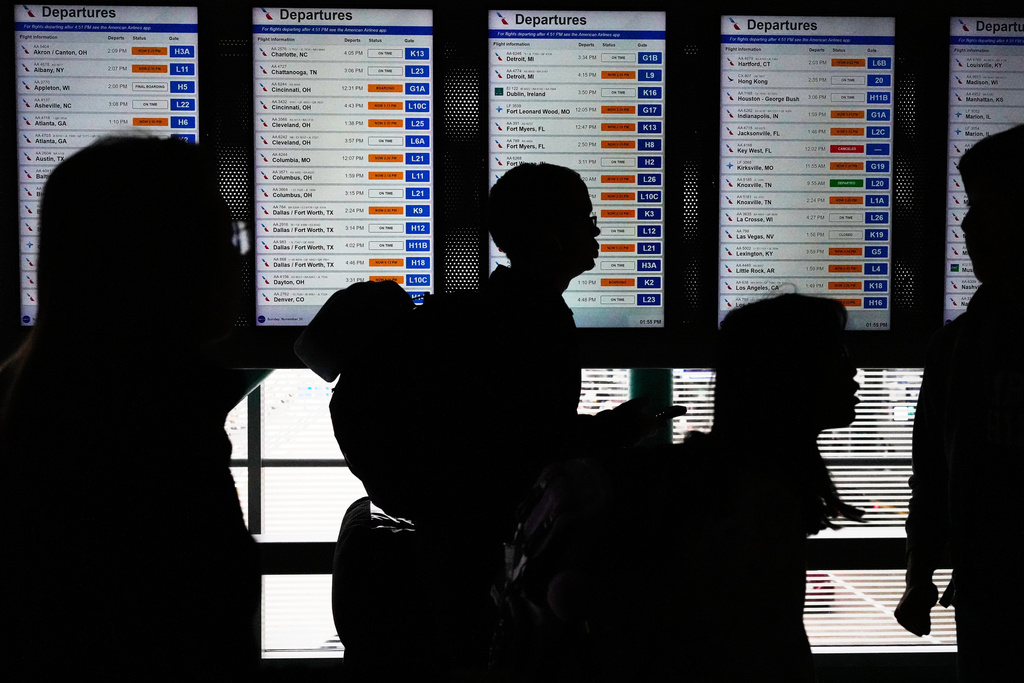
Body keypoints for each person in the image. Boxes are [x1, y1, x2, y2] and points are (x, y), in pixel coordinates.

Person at [0, 136, 260, 680]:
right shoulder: (152, 439)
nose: (241, 256)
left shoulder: (49, 407)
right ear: (162, 260)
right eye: (226, 237)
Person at [895, 124, 1024, 680]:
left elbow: (936, 471)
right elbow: (932, 472)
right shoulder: (954, 346)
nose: (967, 224)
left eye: (986, 206)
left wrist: (922, 572)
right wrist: (920, 571)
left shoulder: (962, 346)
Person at [680, 294, 863, 681]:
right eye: (837, 353)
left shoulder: (733, 479)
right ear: (793, 372)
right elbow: (763, 648)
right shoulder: (763, 502)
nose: (854, 370)